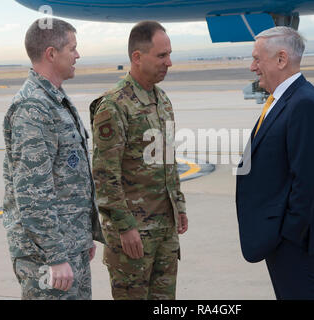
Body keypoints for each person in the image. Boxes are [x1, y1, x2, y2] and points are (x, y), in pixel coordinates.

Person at [2, 19, 105, 300]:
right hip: (47, 258)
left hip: (70, 245)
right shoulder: (33, 108)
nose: (77, 55)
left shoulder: (54, 99)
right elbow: (33, 192)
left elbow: (67, 176)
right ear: (51, 54)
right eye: (72, 48)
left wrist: (83, 237)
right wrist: (56, 255)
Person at [90, 20, 188, 300]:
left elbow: (168, 160)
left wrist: (178, 205)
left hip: (164, 230)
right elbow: (105, 174)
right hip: (133, 235)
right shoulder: (114, 105)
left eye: (169, 54)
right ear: (137, 57)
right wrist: (125, 226)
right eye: (161, 55)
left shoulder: (162, 100)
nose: (169, 62)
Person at [235, 27, 314, 300]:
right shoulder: (284, 99)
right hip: (279, 235)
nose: (252, 67)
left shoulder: (304, 103)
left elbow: (307, 181)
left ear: (281, 59)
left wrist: (288, 234)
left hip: (293, 240)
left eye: (257, 59)